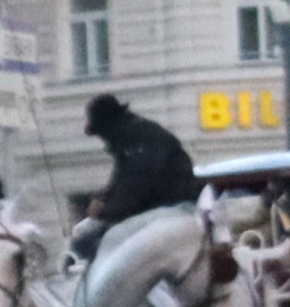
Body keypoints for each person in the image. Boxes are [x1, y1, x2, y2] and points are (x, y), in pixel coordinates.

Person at [70, 93, 199, 260]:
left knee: (89, 243)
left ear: (107, 125)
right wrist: (103, 198)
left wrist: (103, 211)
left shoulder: (136, 138)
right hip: (163, 210)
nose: (102, 139)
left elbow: (135, 186)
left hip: (166, 211)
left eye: (100, 132)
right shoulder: (130, 137)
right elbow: (122, 181)